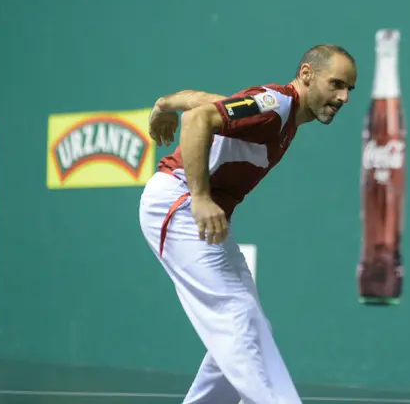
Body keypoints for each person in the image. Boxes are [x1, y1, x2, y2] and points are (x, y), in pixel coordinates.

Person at [138, 44, 357, 404]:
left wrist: (164, 104)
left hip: (196, 210)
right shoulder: (276, 106)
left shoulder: (279, 117)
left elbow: (210, 103)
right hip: (177, 203)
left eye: (349, 89)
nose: (343, 97)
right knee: (237, 317)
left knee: (251, 323)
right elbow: (197, 121)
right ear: (306, 75)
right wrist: (201, 198)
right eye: (336, 84)